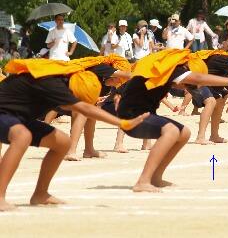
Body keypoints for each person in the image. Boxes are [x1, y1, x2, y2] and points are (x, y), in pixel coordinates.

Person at [0, 57, 148, 211]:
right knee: (22, 136)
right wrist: (122, 123)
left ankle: (40, 194)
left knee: (63, 142)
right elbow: (86, 109)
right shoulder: (53, 83)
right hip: (4, 113)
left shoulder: (67, 78)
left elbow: (85, 108)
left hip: (18, 117)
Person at [116, 49, 228, 191]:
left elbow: (197, 79)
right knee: (171, 131)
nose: (185, 87)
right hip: (132, 117)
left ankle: (155, 177)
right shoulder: (173, 70)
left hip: (143, 115)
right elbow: (198, 78)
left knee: (184, 133)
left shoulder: (167, 71)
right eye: (188, 84)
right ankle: (143, 181)